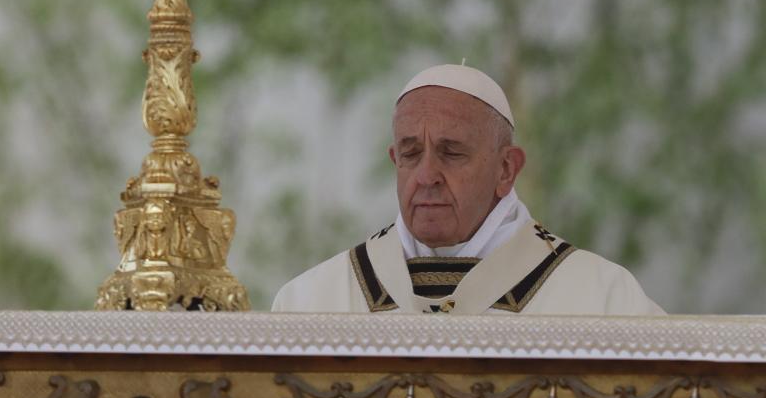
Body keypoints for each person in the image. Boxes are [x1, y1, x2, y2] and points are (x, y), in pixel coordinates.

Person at [272, 63, 663, 316]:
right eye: (411, 153)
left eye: (451, 153)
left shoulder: (604, 301)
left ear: (506, 169)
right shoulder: (313, 302)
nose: (426, 175)